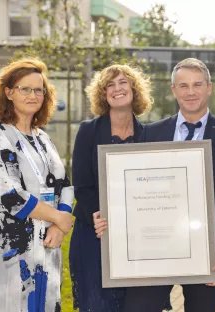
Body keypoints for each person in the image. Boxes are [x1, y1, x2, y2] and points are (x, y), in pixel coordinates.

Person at [122, 58, 215, 312]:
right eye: (184, 85)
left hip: (206, 253)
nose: (191, 92)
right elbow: (137, 191)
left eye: (197, 85)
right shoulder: (151, 134)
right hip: (155, 249)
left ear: (209, 88)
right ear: (174, 90)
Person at [70, 64, 173, 312]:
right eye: (110, 85)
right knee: (98, 304)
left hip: (136, 238)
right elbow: (81, 185)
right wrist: (97, 214)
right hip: (96, 232)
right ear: (103, 94)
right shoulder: (88, 131)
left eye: (123, 83)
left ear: (134, 90)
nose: (117, 89)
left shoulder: (148, 135)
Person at [0, 58, 74, 312]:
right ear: (8, 92)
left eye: (38, 90)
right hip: (12, 250)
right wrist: (58, 217)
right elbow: (11, 197)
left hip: (48, 245)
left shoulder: (43, 138)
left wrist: (59, 224)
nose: (33, 95)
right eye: (25, 89)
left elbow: (64, 183)